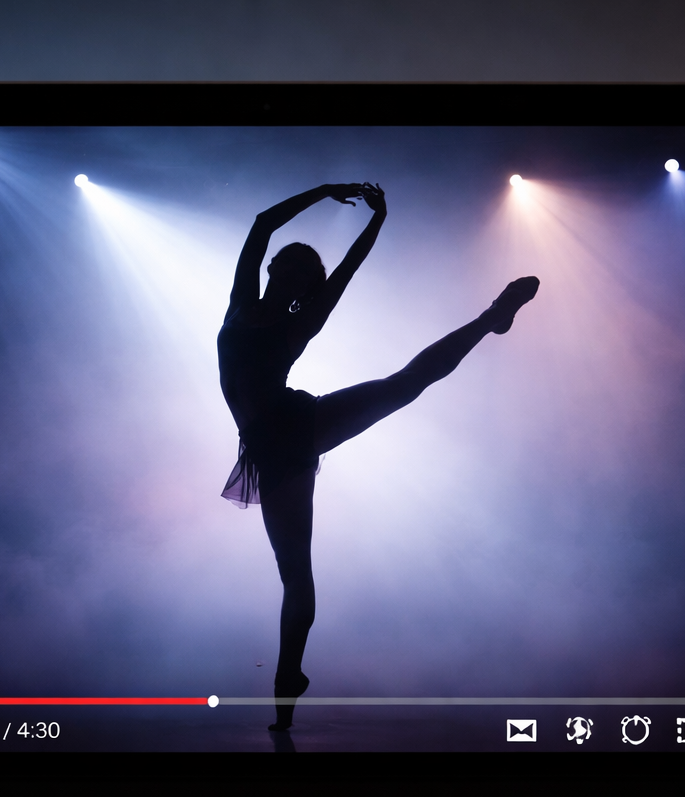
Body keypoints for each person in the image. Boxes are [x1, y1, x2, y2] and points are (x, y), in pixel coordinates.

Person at [218, 182, 539, 730]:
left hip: (291, 430)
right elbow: (263, 222)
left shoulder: (294, 317)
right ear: (274, 269)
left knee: (403, 386)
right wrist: (328, 191)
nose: (294, 269)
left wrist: (375, 219)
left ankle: (491, 318)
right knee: (296, 574)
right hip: (276, 444)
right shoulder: (247, 301)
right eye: (292, 263)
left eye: (302, 271)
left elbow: (343, 266)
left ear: (296, 285)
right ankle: (288, 682)